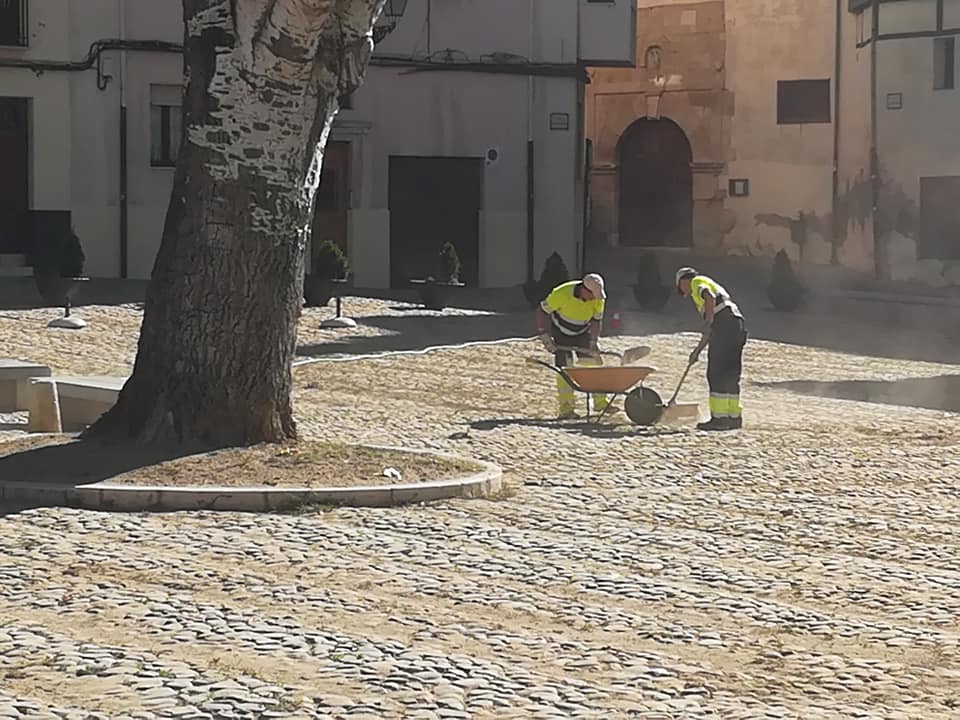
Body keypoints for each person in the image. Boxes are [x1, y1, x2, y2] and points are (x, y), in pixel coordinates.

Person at [675, 267, 747, 431]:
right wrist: (697, 351)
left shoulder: (697, 282)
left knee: (716, 373)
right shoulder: (713, 287)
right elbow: (711, 331)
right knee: (730, 373)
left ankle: (719, 419)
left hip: (724, 326)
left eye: (681, 287)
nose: (683, 292)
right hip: (736, 326)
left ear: (683, 281)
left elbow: (709, 297)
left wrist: (708, 322)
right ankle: (734, 418)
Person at [536, 273, 610, 419]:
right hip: (561, 333)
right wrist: (543, 334)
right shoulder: (562, 293)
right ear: (584, 289)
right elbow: (541, 311)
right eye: (592, 295)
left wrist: (593, 341)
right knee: (565, 370)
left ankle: (601, 402)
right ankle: (566, 409)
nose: (594, 299)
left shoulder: (598, 298)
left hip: (583, 332)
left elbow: (596, 320)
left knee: (593, 364)